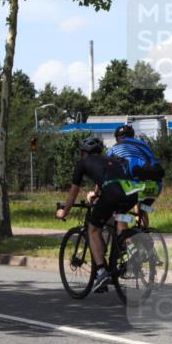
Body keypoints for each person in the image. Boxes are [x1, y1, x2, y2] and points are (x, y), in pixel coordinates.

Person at [55, 136, 143, 291]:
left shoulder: (83, 163)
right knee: (115, 223)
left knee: (93, 229)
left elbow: (73, 192)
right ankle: (131, 253)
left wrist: (64, 212)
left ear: (83, 152)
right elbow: (105, 181)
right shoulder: (111, 160)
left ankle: (102, 272)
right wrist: (97, 194)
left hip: (112, 194)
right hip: (130, 193)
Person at [107, 124, 164, 227]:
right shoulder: (144, 145)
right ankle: (144, 231)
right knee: (141, 208)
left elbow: (105, 171)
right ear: (132, 136)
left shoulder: (114, 149)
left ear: (118, 138)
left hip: (133, 187)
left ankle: (123, 234)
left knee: (119, 213)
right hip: (155, 186)